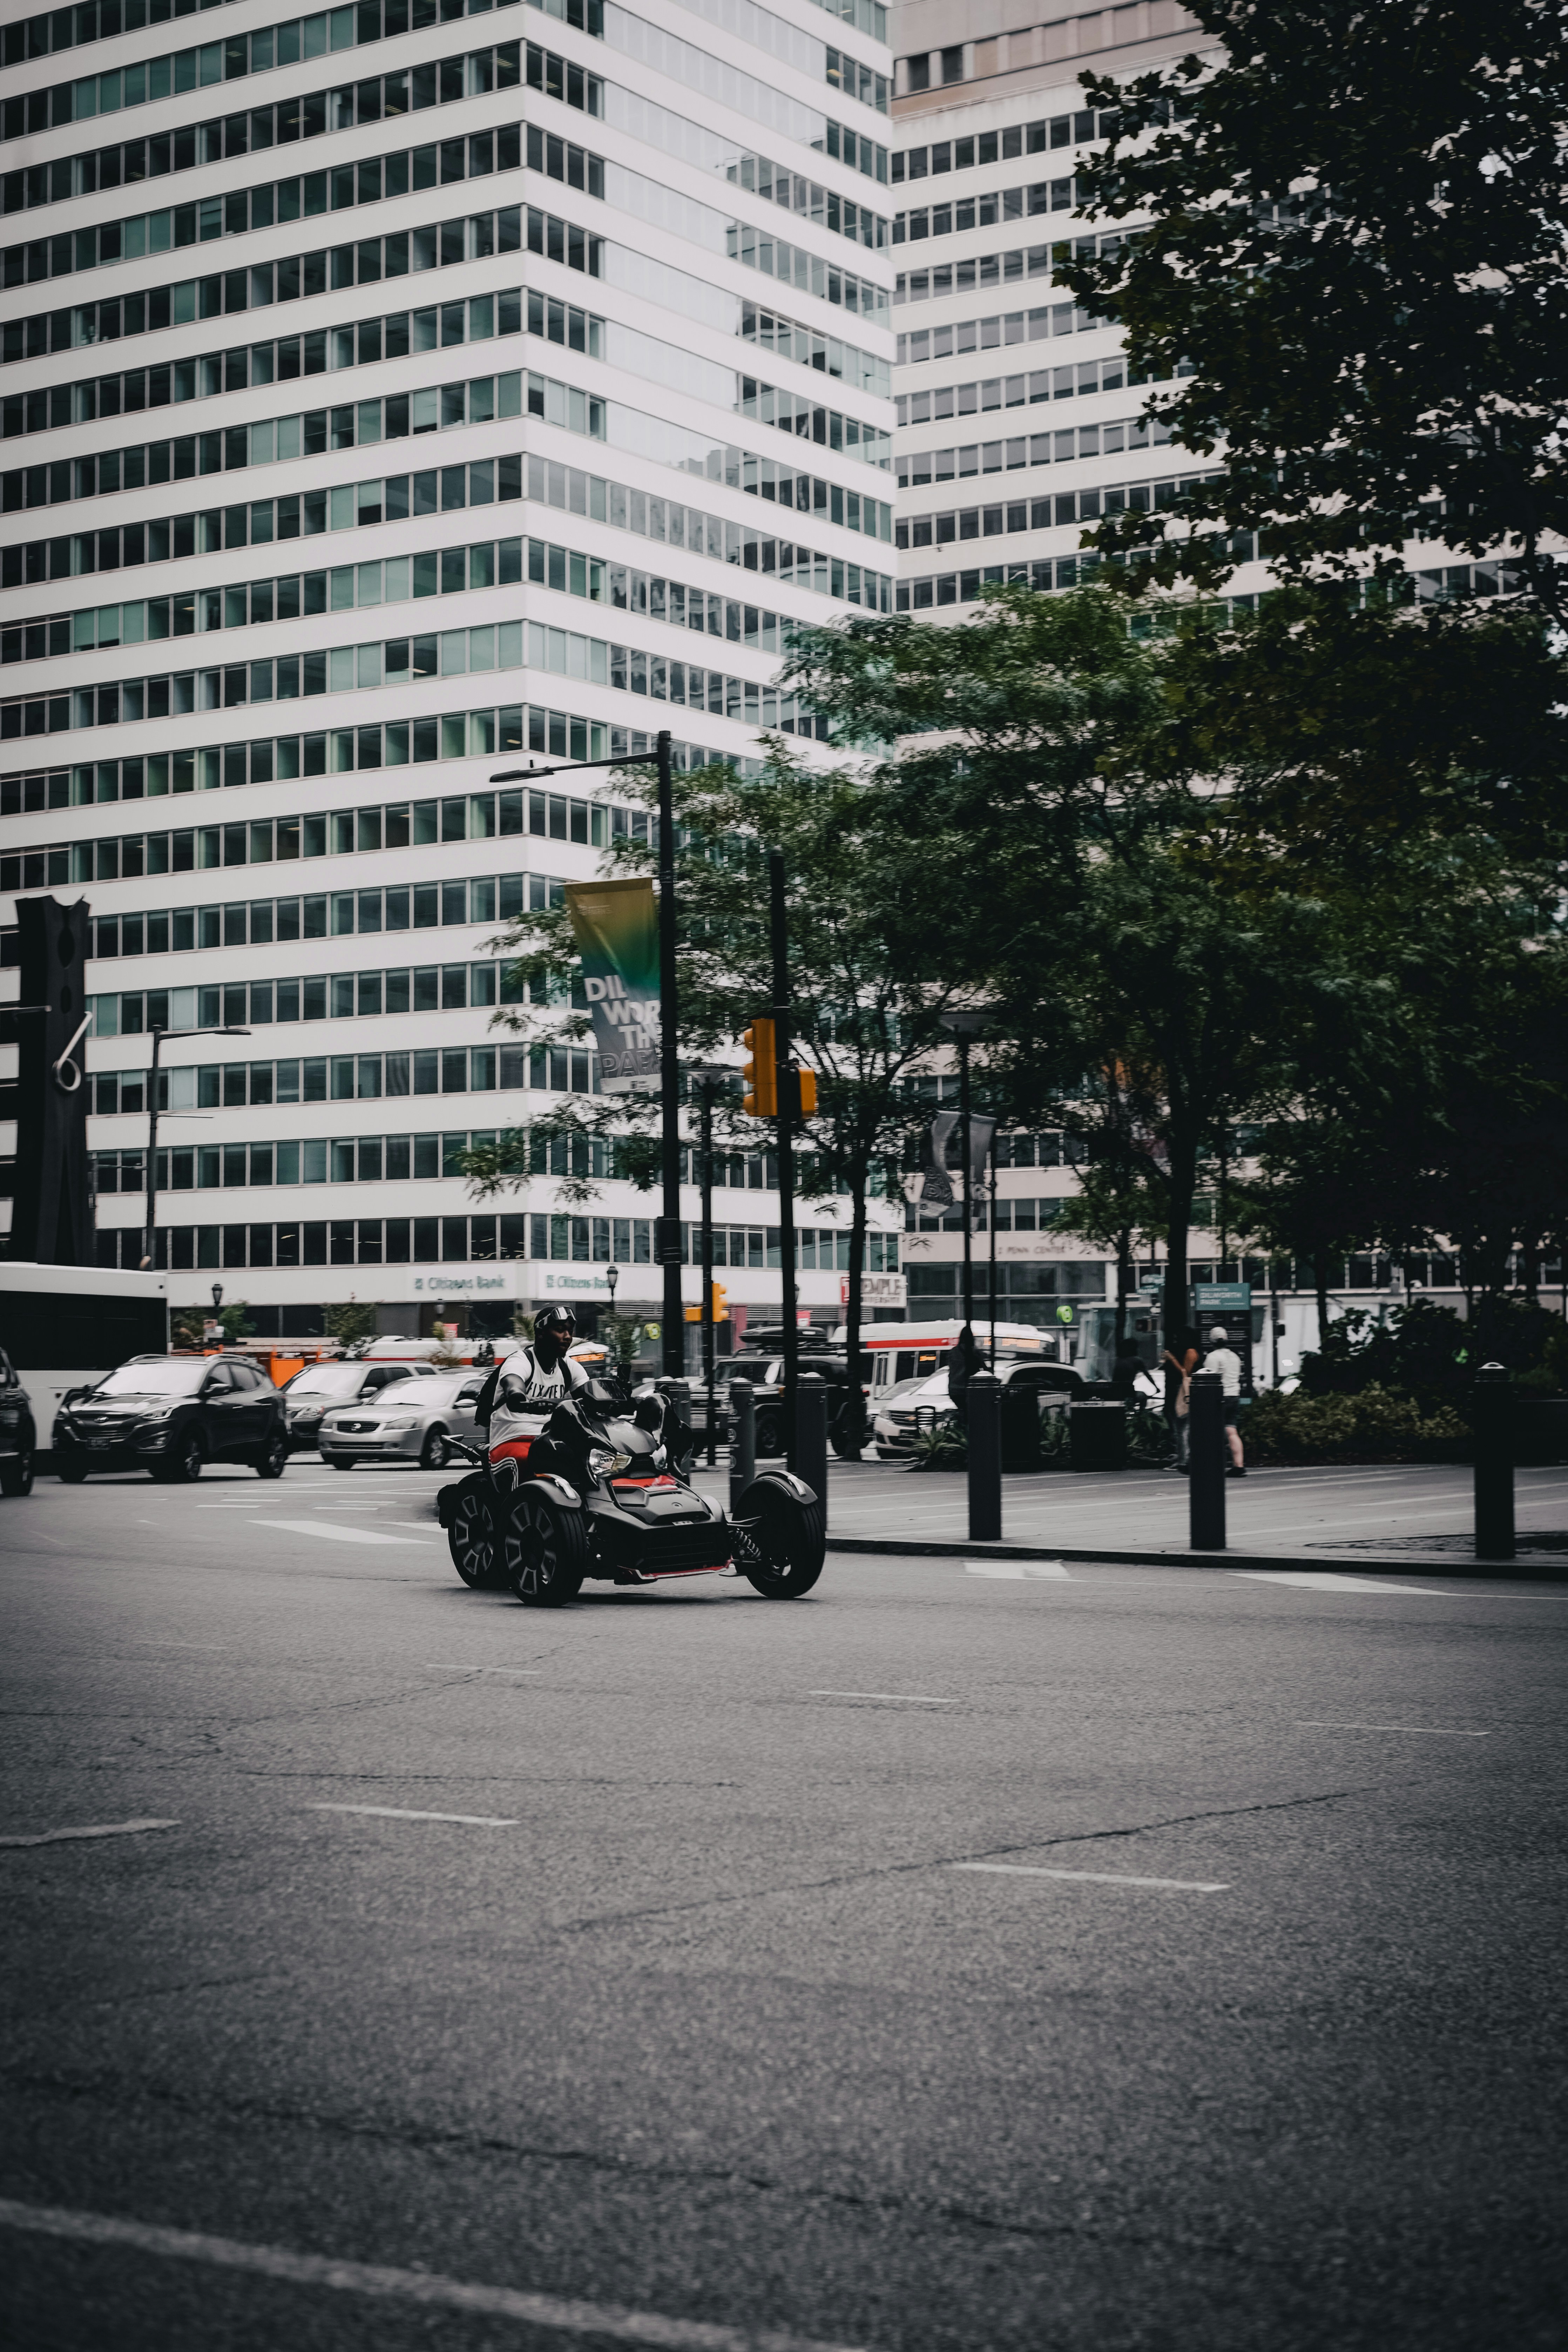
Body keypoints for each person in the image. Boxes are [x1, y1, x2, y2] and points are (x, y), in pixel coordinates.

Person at [473, 1305, 591, 1472]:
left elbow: (589, 1396)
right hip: (512, 1439)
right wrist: (519, 1397)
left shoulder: (569, 1368)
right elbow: (513, 1383)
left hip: (552, 1440)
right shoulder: (521, 1361)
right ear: (541, 1333)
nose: (568, 1337)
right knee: (529, 1462)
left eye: (570, 1331)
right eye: (560, 1330)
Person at [1204, 1324, 1247, 1475]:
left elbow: (1209, 1378)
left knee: (1212, 1432)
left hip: (1219, 1398)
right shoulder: (1234, 1356)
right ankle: (1239, 1466)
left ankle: (1213, 1465)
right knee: (1232, 1432)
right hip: (1235, 1396)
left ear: (1212, 1342)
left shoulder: (1213, 1357)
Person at [1162, 1326, 1199, 1471]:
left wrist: (1172, 1359)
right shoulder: (1189, 1351)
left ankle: (1183, 1461)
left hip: (1187, 1392)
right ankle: (1184, 1459)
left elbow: (1186, 1372)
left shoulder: (1191, 1352)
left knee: (1182, 1428)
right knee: (1183, 1428)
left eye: (1179, 1338)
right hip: (1186, 1391)